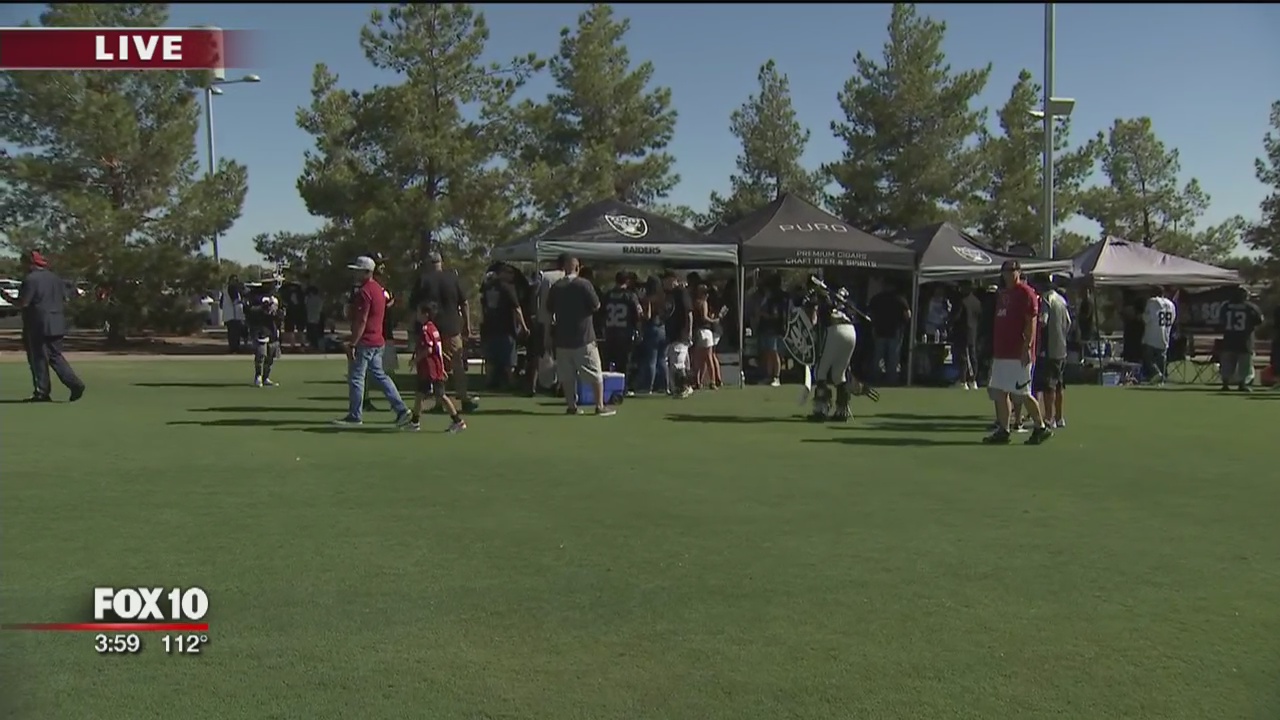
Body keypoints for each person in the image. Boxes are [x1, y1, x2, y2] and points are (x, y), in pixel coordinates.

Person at [332, 256, 411, 427]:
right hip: (377, 340)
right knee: (380, 376)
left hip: (366, 341)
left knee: (356, 377)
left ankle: (355, 415)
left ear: (366, 272)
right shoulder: (378, 289)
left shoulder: (365, 292)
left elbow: (362, 320)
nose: (355, 273)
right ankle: (401, 409)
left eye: (358, 270)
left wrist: (352, 343)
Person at [0, 250, 85, 402]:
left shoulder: (31, 279)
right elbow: (68, 295)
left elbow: (23, 303)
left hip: (37, 324)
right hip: (57, 322)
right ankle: (74, 383)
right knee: (55, 356)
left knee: (38, 358)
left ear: (30, 263)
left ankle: (42, 391)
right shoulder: (55, 278)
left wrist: (7, 297)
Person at [983, 260, 1051, 445]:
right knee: (998, 391)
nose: (1007, 274)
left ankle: (1041, 426)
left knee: (1021, 393)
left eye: (1011, 270)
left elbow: (1031, 322)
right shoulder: (1004, 294)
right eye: (1005, 271)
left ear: (1018, 272)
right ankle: (1003, 430)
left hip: (1017, 353)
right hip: (1002, 352)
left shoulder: (1026, 293)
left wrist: (1027, 348)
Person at [546, 254, 615, 416]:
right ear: (578, 268)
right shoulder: (584, 284)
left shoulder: (556, 287)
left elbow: (549, 311)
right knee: (595, 373)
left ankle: (572, 406)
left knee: (566, 376)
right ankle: (599, 406)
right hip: (584, 337)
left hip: (562, 339)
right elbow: (596, 305)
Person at [411, 250, 476, 412]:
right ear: (441, 262)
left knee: (438, 366)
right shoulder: (452, 278)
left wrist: (415, 328)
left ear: (428, 264)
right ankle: (464, 398)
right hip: (453, 327)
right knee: (457, 364)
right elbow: (464, 303)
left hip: (433, 329)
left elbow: (414, 306)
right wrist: (467, 324)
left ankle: (440, 401)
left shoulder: (423, 280)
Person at [409, 302, 466, 433]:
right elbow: (437, 350)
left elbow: (428, 349)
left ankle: (458, 421)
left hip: (430, 369)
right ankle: (414, 421)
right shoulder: (433, 329)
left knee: (440, 395)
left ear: (426, 314)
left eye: (419, 312)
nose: (417, 315)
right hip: (433, 368)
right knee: (420, 394)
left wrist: (415, 360)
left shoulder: (426, 330)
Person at [806, 285, 860, 422]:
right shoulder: (849, 305)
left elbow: (816, 317)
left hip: (834, 329)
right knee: (838, 375)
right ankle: (842, 410)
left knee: (820, 372)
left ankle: (821, 409)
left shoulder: (825, 302)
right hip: (851, 331)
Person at [479, 263, 527, 390]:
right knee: (509, 361)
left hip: (489, 328)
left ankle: (488, 383)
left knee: (491, 360)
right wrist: (524, 326)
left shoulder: (487, 287)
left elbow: (483, 307)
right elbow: (517, 308)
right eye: (509, 273)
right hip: (506, 329)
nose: (512, 276)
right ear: (503, 274)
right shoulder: (508, 288)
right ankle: (512, 384)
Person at [1034, 276, 1072, 428]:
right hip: (1061, 348)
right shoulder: (1061, 300)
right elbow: (1068, 323)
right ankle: (1059, 417)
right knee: (1059, 385)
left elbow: (1043, 321)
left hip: (1049, 349)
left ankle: (1049, 418)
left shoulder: (1045, 300)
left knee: (1048, 385)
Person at [1218, 286, 1264, 391]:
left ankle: (1225, 384)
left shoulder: (1226, 306)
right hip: (1244, 340)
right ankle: (1242, 384)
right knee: (1244, 364)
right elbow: (1259, 320)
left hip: (1229, 339)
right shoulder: (1250, 307)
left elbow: (1221, 321)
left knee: (1227, 363)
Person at [600, 271, 643, 380]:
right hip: (625, 334)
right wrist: (638, 330)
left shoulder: (608, 295)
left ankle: (607, 385)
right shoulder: (630, 296)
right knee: (623, 364)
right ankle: (621, 388)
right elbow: (638, 314)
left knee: (607, 363)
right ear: (627, 281)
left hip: (610, 333)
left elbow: (601, 313)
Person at [869, 283, 911, 385]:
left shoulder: (877, 298)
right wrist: (904, 325)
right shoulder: (900, 299)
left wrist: (873, 326)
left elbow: (870, 313)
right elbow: (908, 315)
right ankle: (891, 381)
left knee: (878, 357)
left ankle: (876, 379)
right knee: (893, 358)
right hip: (895, 331)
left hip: (880, 330)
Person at [245, 276, 284, 387]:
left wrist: (279, 315)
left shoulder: (276, 297)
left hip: (272, 327)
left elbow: (279, 311)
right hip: (260, 327)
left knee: (271, 354)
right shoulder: (256, 296)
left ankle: (266, 377)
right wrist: (262, 308)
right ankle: (258, 376)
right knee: (261, 353)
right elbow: (249, 310)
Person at [661, 270, 694, 398]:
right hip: (672, 333)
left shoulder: (681, 292)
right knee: (679, 362)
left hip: (681, 332)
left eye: (666, 280)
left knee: (677, 362)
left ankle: (683, 387)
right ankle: (684, 386)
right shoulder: (669, 294)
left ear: (673, 280)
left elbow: (689, 313)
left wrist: (689, 330)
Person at [635, 277, 667, 395]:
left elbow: (647, 315)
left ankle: (647, 386)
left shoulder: (648, 298)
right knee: (662, 360)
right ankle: (663, 385)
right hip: (662, 328)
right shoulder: (663, 298)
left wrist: (641, 315)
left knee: (650, 360)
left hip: (651, 328)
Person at [754, 274, 786, 386]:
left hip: (773, 329)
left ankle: (776, 377)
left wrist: (764, 314)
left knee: (774, 352)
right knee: (767, 353)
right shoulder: (765, 300)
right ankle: (768, 376)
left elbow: (776, 315)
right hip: (764, 328)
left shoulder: (775, 300)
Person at [1141, 286, 1177, 385]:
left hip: (1152, 336)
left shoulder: (1152, 302)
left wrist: (1142, 316)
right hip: (1165, 336)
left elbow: (1146, 318)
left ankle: (1156, 374)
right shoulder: (1171, 304)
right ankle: (1162, 379)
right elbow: (1173, 319)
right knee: (1161, 359)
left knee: (1148, 358)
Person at [951, 283, 982, 390]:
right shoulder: (977, 302)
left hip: (963, 331)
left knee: (964, 357)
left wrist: (949, 322)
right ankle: (972, 379)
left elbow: (956, 317)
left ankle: (964, 380)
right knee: (972, 356)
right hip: (973, 331)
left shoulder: (963, 301)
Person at [280, 272, 307, 351]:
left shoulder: (286, 287)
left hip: (293, 309)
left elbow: (282, 298)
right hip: (297, 309)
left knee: (293, 328)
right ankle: (299, 345)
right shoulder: (299, 287)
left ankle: (295, 345)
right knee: (298, 328)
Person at [220, 275, 247, 354]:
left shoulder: (225, 290)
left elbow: (221, 304)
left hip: (228, 315)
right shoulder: (232, 288)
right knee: (235, 333)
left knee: (231, 333)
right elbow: (235, 301)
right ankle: (235, 348)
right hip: (234, 315)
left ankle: (233, 348)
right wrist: (243, 302)